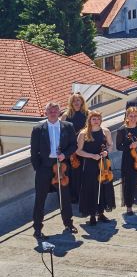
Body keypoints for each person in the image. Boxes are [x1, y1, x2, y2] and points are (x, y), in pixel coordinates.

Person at [30, 102, 78, 239]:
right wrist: (38, 169)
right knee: (40, 199)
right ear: (46, 113)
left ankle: (68, 223)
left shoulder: (68, 127)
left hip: (61, 166)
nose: (52, 112)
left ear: (59, 112)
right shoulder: (38, 129)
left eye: (55, 110)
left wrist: (65, 155)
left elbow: (74, 145)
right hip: (44, 168)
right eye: (50, 110)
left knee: (64, 197)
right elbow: (33, 152)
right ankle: (37, 228)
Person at [76, 110, 116, 225]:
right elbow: (78, 151)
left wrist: (106, 152)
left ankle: (101, 213)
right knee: (91, 188)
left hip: (104, 164)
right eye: (94, 119)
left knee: (103, 187)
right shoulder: (83, 133)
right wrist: (92, 156)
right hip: (90, 164)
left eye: (98, 119)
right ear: (89, 120)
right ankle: (92, 214)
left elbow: (110, 145)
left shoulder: (105, 131)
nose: (96, 121)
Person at [62, 92, 88, 204]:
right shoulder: (65, 115)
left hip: (85, 146)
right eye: (74, 101)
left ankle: (84, 194)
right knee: (73, 172)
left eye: (78, 100)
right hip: (71, 148)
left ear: (82, 101)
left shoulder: (88, 113)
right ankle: (74, 195)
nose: (76, 102)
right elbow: (61, 133)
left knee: (84, 171)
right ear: (71, 103)